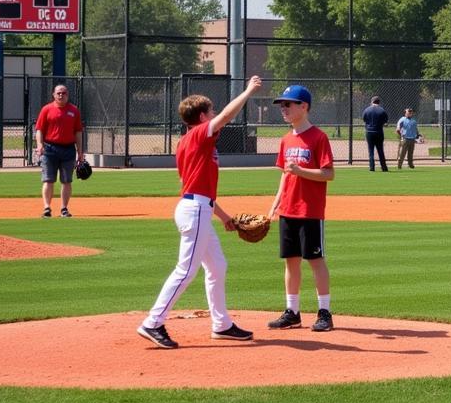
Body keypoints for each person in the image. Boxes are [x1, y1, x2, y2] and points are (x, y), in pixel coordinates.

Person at [137, 75, 262, 349]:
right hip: (194, 210)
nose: (216, 114)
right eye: (212, 111)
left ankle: (222, 324)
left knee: (217, 266)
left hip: (199, 207)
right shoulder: (197, 134)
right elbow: (228, 116)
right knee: (186, 270)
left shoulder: (188, 142)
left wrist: (224, 216)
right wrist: (248, 91)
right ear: (203, 116)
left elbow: (198, 187)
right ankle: (153, 322)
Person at [266, 85, 336, 332]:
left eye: (288, 104)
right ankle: (292, 312)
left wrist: (300, 171)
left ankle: (324, 313)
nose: (283, 109)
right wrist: (275, 204)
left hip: (310, 210)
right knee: (290, 261)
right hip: (288, 209)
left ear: (304, 107)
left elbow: (328, 174)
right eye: (282, 105)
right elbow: (285, 176)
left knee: (315, 260)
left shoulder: (319, 137)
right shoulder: (286, 139)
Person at [34, 84, 85, 218]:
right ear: (54, 95)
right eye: (58, 93)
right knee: (48, 180)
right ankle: (47, 208)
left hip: (68, 149)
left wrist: (80, 152)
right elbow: (39, 130)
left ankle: (64, 209)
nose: (61, 95)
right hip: (50, 148)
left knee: (67, 181)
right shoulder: (47, 109)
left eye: (64, 93)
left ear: (68, 95)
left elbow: (78, 132)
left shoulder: (74, 111)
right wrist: (39, 145)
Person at [362, 95, 389, 171]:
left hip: (369, 132)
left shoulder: (367, 110)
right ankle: (384, 167)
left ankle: (372, 167)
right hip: (379, 132)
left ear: (372, 102)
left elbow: (364, 119)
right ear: (379, 102)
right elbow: (385, 122)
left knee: (371, 150)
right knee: (380, 150)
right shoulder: (382, 110)